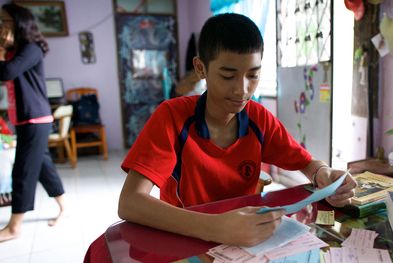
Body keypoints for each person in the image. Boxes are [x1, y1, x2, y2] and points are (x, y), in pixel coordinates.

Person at [117, 13, 356, 247]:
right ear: (201, 68)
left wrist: (322, 174)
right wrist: (216, 227)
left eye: (253, 75)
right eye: (228, 75)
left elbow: (307, 163)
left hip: (246, 240)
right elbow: (130, 203)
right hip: (185, 236)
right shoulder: (172, 117)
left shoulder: (259, 118)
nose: (242, 90)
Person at [0, 3, 66, 242]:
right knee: (43, 166)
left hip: (35, 118)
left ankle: (14, 226)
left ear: (18, 23)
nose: (1, 26)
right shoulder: (15, 50)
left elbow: (6, 73)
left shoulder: (32, 48)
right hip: (26, 118)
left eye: (5, 21)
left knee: (23, 170)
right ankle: (63, 206)